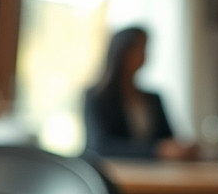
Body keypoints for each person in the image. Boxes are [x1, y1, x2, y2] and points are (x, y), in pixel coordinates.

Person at [83, 26, 197, 161]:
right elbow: (100, 146)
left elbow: (169, 139)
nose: (143, 54)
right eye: (138, 48)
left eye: (145, 48)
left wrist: (181, 148)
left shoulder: (153, 98)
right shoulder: (97, 97)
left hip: (153, 175)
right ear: (122, 51)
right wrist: (156, 150)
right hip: (113, 173)